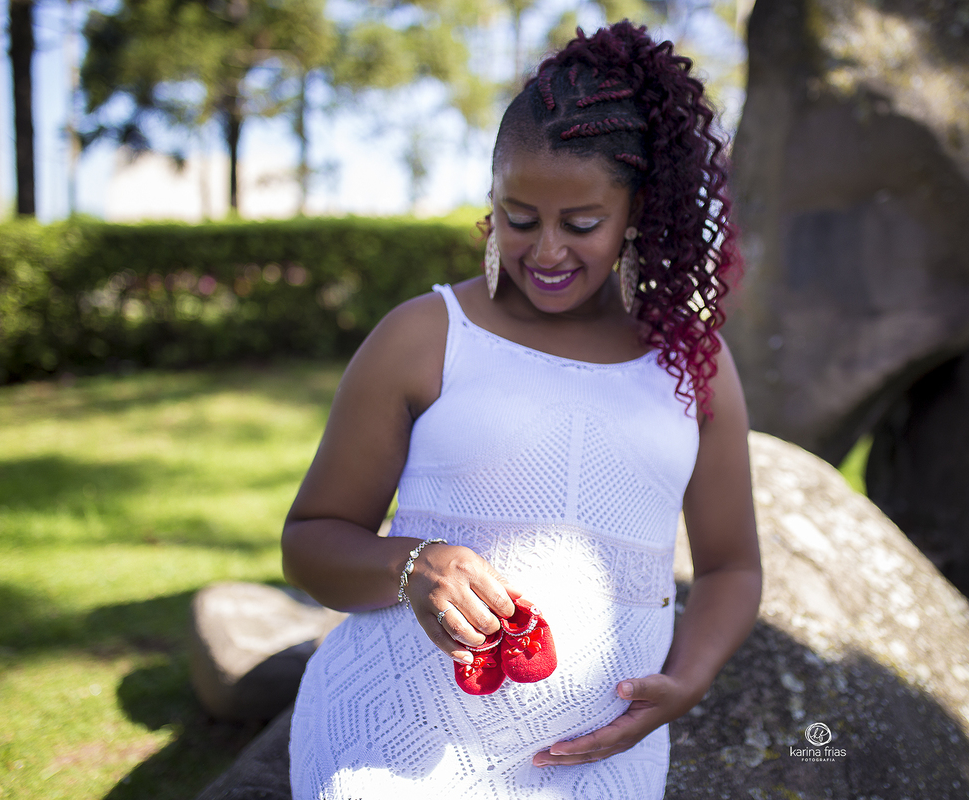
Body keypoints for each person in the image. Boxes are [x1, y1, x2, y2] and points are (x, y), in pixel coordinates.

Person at [282, 20, 761, 799]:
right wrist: (411, 566)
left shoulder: (692, 366)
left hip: (598, 761)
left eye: (580, 224)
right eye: (517, 216)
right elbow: (309, 542)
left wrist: (691, 678)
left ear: (636, 211)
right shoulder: (426, 336)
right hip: (395, 743)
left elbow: (733, 565)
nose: (544, 251)